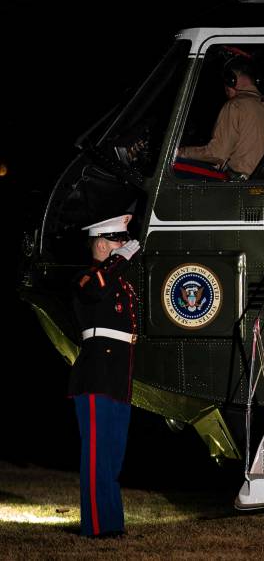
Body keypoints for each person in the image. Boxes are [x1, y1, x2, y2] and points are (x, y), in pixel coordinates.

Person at [68, 213, 142, 538]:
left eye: (125, 240)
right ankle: (97, 526)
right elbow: (94, 292)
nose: (124, 245)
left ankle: (112, 523)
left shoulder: (119, 281)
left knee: (113, 455)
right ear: (101, 244)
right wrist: (118, 261)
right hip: (96, 375)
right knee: (98, 455)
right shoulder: (88, 277)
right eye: (118, 240)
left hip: (117, 376)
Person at [177, 57, 264, 178]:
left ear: (231, 80)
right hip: (263, 182)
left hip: (238, 184)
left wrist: (182, 152)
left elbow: (216, 153)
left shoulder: (235, 105)